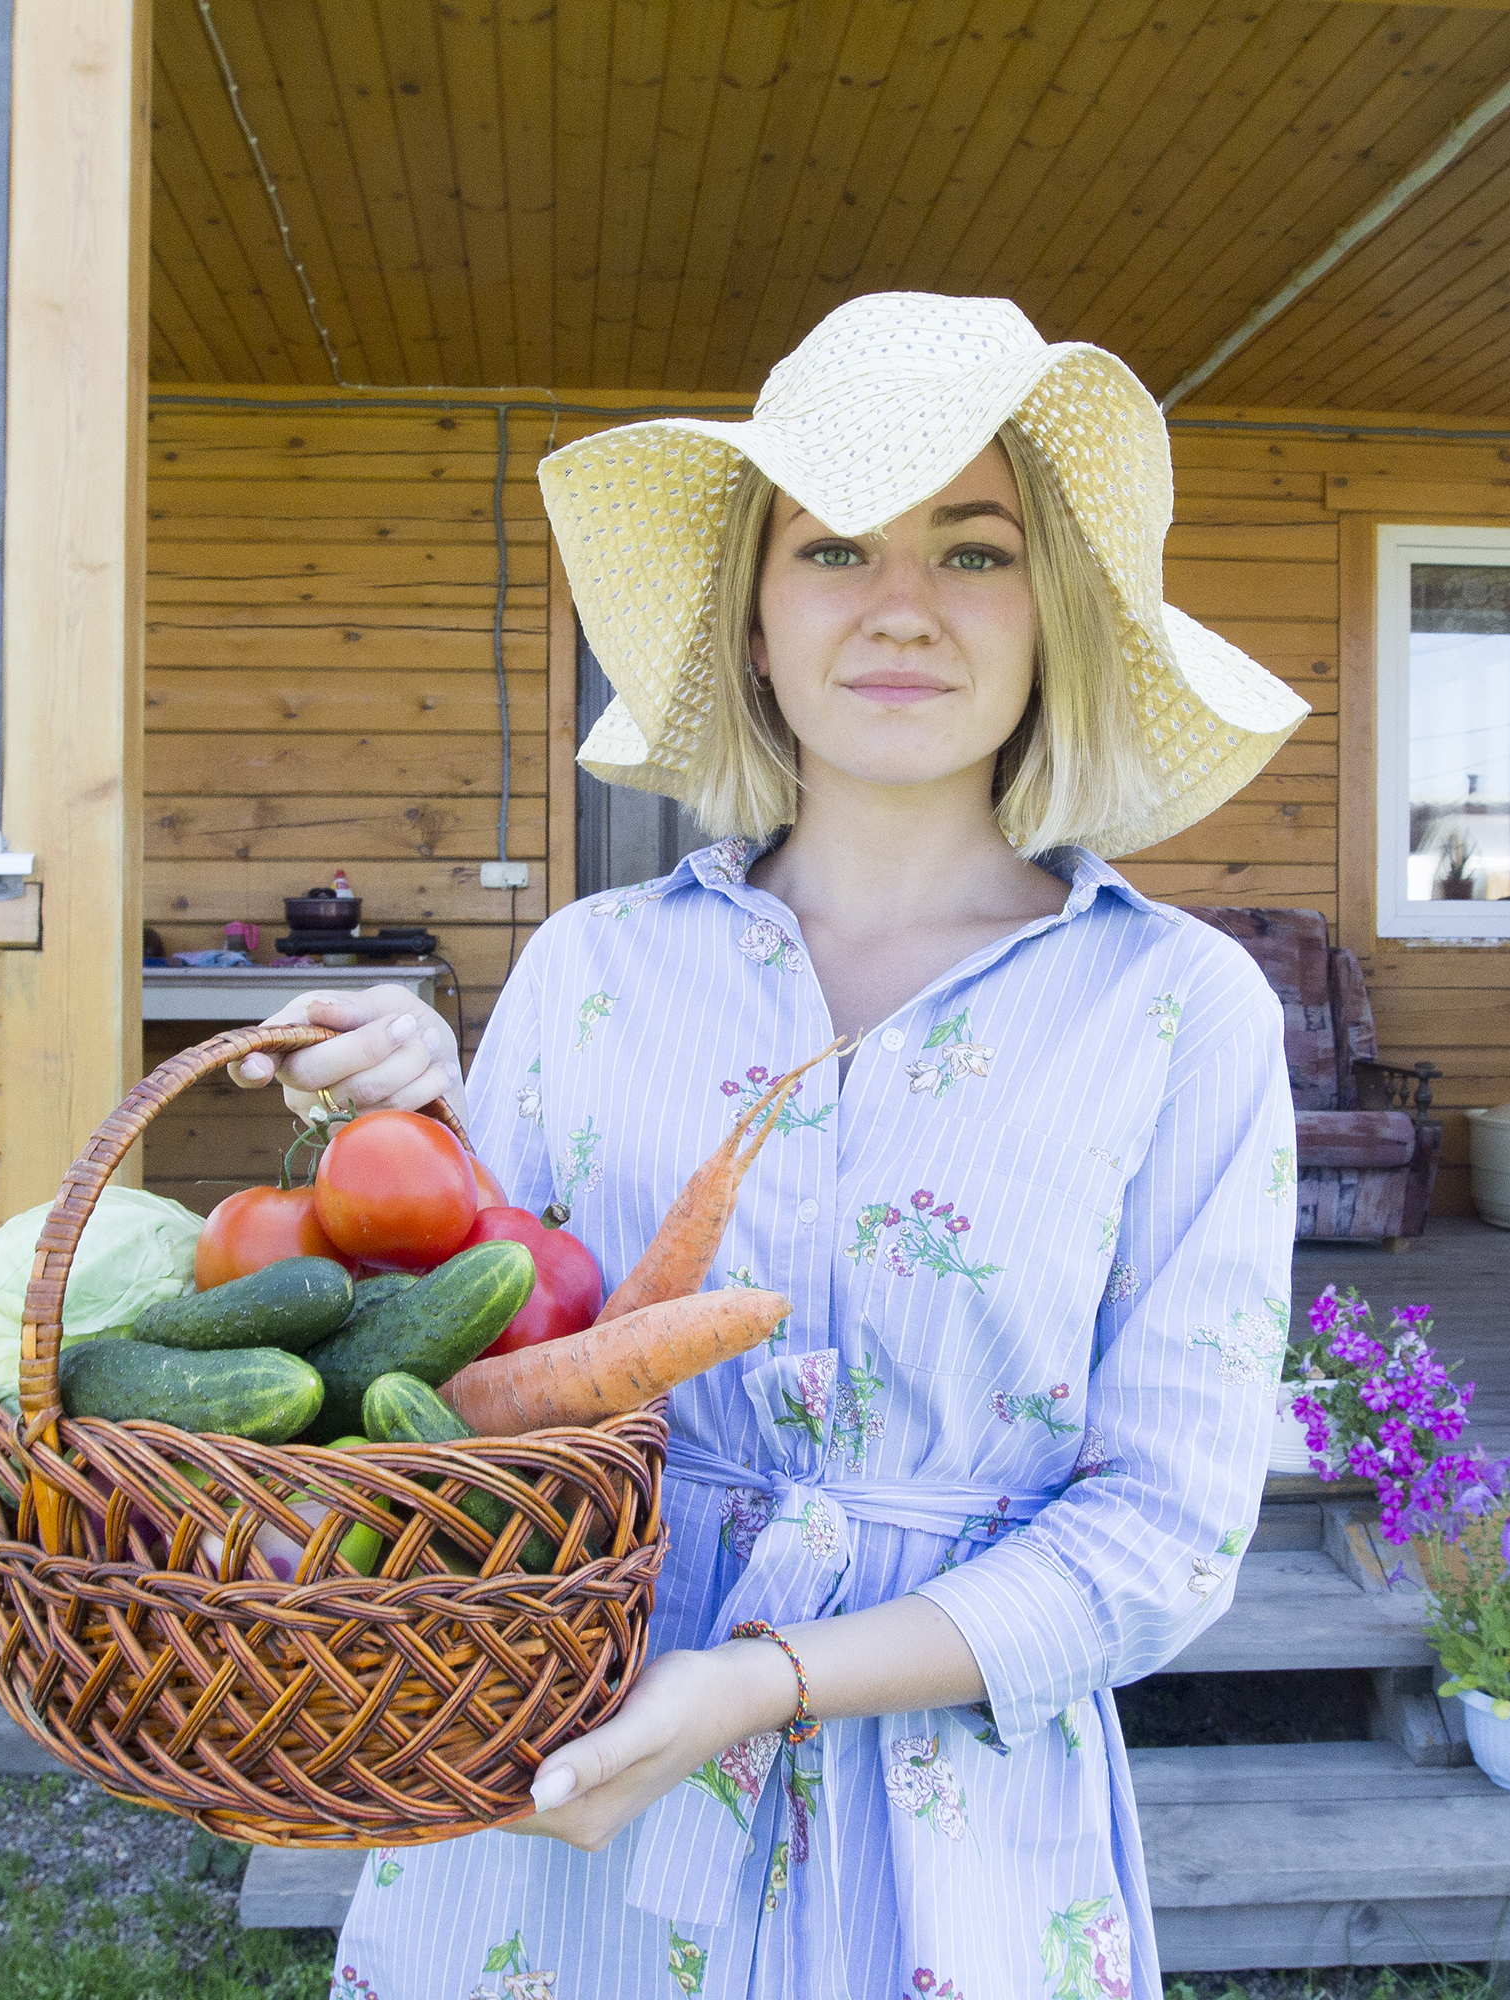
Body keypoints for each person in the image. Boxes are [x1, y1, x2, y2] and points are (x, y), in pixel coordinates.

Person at [235, 292, 1310, 2000]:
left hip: (950, 1836)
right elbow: (490, 1356)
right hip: (562, 1761)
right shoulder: (593, 964)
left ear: (1053, 618)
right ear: (753, 618)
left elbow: (1166, 1536)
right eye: (835, 552)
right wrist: (415, 1122)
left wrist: (764, 1678)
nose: (901, 609)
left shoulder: (1178, 1010)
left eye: (973, 553)